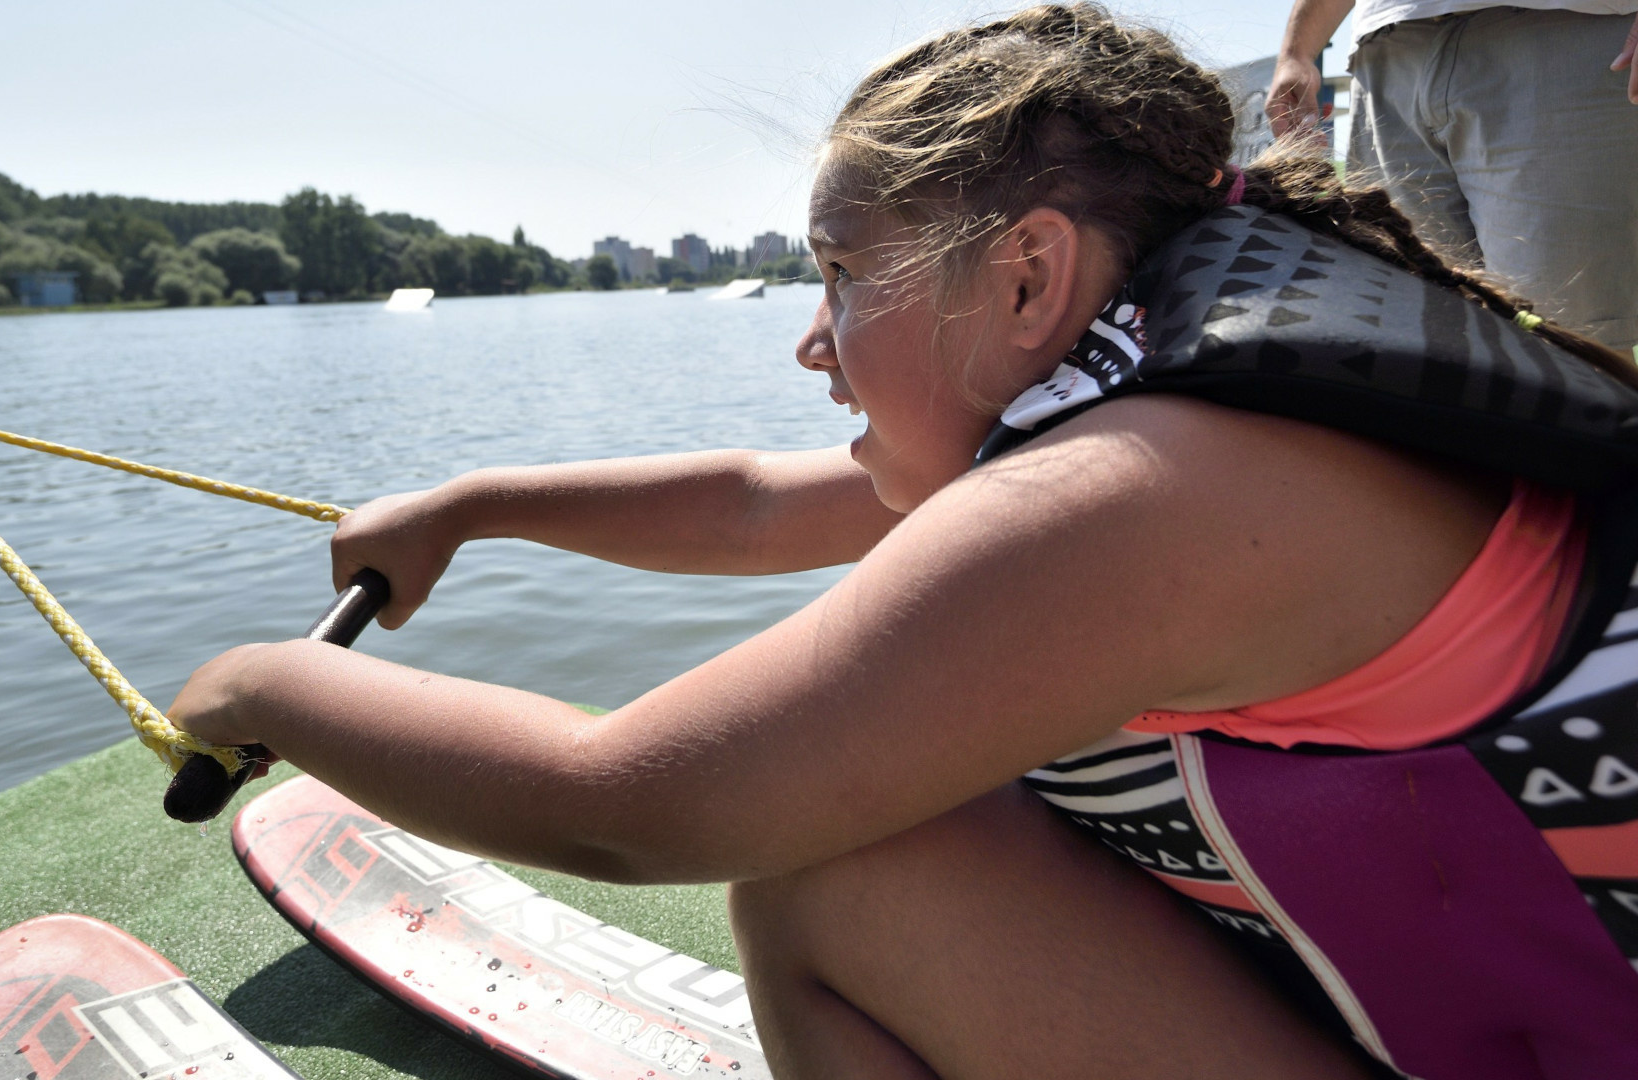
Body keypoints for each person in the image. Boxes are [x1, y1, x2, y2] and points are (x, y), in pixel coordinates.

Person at [168, 6, 1638, 1077]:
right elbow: (760, 502)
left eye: (843, 274)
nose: (814, 341)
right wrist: (480, 504)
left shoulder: (1130, 500)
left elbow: (622, 803)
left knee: (827, 869)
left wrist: (254, 684)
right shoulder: (1155, 377)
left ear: (1025, 276)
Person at [1267, 0, 1638, 354]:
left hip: (1568, 28)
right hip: (1385, 54)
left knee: (1575, 347)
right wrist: (1297, 52)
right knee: (1419, 343)